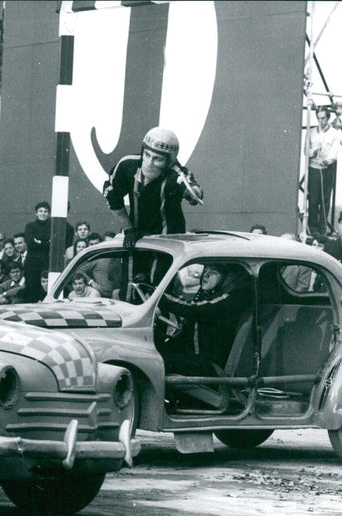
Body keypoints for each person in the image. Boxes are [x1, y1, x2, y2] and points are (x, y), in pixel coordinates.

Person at [157, 264, 252, 404]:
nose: (206, 275)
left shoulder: (229, 299)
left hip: (211, 365)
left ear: (226, 277)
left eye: (213, 272)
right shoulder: (208, 294)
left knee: (158, 363)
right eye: (205, 271)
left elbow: (194, 309)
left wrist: (159, 297)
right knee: (155, 356)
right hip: (196, 358)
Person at [103, 127, 203, 248]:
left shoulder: (175, 173)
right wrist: (128, 229)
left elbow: (192, 187)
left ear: (169, 161)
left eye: (158, 159)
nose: (149, 162)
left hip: (169, 242)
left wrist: (192, 193)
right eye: (147, 154)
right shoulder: (127, 165)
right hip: (135, 237)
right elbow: (112, 197)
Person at [306, 106, 341, 237]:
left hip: (327, 169)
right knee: (313, 199)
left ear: (328, 118)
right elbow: (306, 151)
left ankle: (323, 229)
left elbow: (334, 153)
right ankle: (313, 228)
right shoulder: (311, 132)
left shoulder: (334, 134)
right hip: (314, 169)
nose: (321, 121)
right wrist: (313, 152)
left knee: (325, 200)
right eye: (319, 118)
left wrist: (326, 161)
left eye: (323, 118)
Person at [23, 201, 52, 303]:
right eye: (40, 211)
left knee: (45, 287)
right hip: (32, 263)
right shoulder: (30, 226)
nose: (43, 213)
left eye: (46, 211)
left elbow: (52, 243)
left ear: (48, 213)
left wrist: (38, 241)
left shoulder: (51, 226)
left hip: (46, 262)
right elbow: (30, 242)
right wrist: (45, 242)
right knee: (32, 288)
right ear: (36, 213)